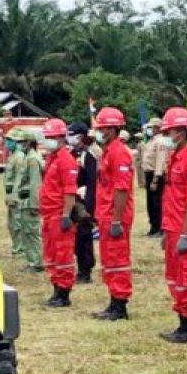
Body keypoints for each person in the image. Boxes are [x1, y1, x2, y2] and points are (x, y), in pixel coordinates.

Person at [157, 108, 187, 344]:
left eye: (171, 131)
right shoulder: (174, 159)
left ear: (184, 132)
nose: (167, 135)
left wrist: (186, 233)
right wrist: (168, 231)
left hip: (185, 230)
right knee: (175, 276)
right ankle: (182, 322)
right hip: (174, 227)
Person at [92, 108, 136, 321]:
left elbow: (121, 189)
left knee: (118, 260)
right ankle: (113, 301)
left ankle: (120, 306)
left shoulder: (119, 153)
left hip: (115, 215)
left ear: (112, 129)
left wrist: (117, 219)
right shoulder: (109, 151)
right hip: (106, 214)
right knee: (109, 260)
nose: (99, 131)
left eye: (102, 128)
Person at [40, 119, 80, 307]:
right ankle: (56, 288)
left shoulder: (66, 160)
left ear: (60, 138)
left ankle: (63, 293)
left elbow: (69, 191)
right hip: (48, 214)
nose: (47, 141)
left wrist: (66, 215)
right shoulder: (52, 159)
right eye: (46, 137)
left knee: (62, 254)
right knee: (51, 253)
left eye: (50, 137)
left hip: (58, 214)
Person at [68, 122, 100, 285]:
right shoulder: (71, 154)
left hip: (83, 204)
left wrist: (89, 209)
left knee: (84, 238)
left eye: (71, 134)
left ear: (80, 136)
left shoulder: (89, 156)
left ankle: (85, 270)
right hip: (72, 202)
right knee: (74, 239)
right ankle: (79, 268)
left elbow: (92, 184)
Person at [16, 129, 45, 273]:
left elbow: (35, 183)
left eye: (21, 142)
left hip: (30, 201)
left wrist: (35, 204)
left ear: (28, 142)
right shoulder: (29, 157)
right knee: (27, 233)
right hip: (24, 201)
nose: (19, 144)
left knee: (32, 233)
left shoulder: (33, 159)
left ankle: (37, 262)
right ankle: (32, 261)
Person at [140, 117, 168, 237]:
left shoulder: (161, 141)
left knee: (157, 203)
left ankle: (160, 228)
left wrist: (156, 179)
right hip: (148, 173)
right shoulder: (151, 141)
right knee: (150, 203)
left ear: (157, 128)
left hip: (156, 175)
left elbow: (160, 161)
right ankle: (153, 226)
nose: (149, 129)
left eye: (151, 127)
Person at [4, 130, 27, 258]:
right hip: (11, 195)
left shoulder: (19, 157)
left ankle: (20, 249)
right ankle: (17, 248)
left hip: (16, 196)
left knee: (18, 224)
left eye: (10, 140)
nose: (7, 143)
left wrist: (14, 196)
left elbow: (19, 178)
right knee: (12, 224)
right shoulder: (12, 156)